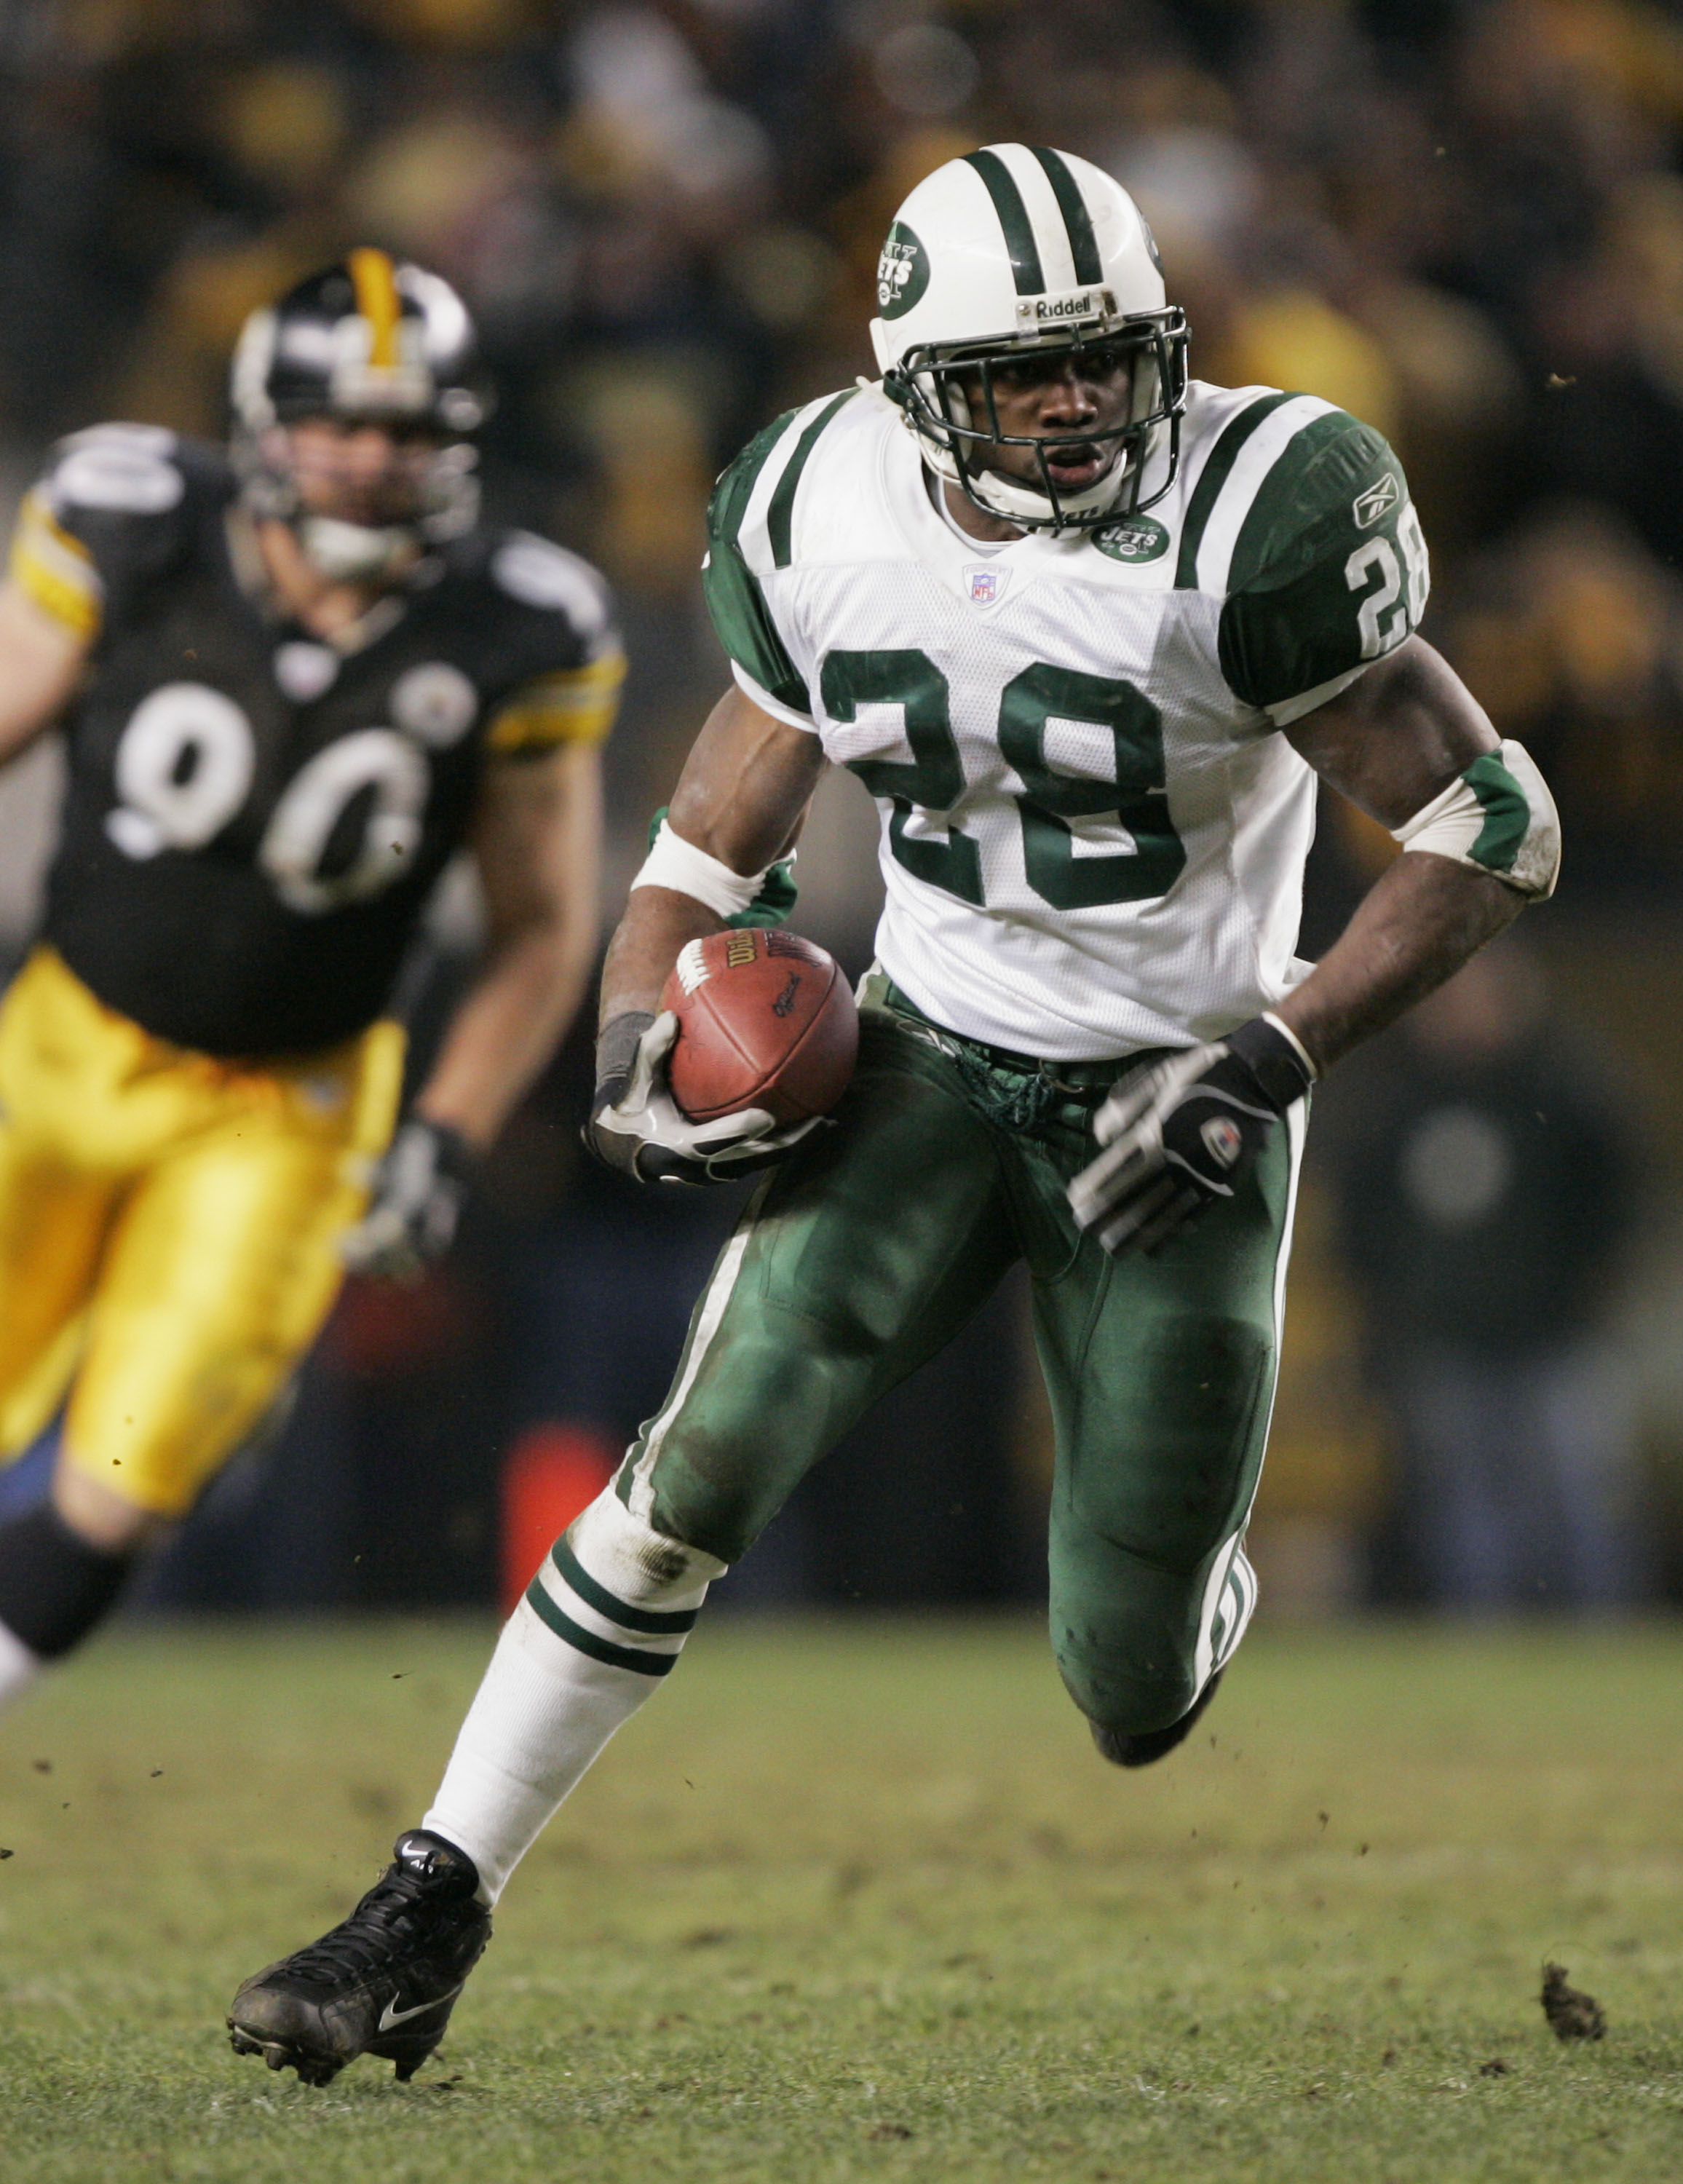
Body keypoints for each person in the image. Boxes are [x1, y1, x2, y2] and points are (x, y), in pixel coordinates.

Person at [229, 147, 1559, 2086]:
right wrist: (628, 1034)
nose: (1086, 405)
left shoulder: (1258, 518)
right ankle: (423, 1909)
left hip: (1182, 1097)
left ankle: (1191, 1593)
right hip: (928, 1060)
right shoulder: (816, 503)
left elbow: (1489, 824)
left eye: (1109, 360)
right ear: (922, 389)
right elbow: (708, 842)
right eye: (1033, 378)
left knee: (1125, 1689)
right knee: (701, 1464)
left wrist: (1275, 1054)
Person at [0, 251, 620, 1707]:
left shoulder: (517, 626)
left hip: (291, 1113)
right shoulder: (134, 523)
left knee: (132, 1472)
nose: (366, 458)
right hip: (62, 1045)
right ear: (258, 423)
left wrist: (450, 1134)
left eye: (405, 431)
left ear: (458, 445)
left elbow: (540, 930)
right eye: (334, 421)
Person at [1323, 940, 1642, 1607]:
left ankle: (1605, 1642)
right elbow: (1359, 1221)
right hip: (1443, 1341)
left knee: (1578, 1502)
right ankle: (1481, 1646)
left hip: (1555, 1341)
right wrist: (1394, 1307)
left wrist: (1585, 1296)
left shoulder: (1566, 1089)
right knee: (1465, 1514)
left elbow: (1616, 1204)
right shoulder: (1395, 1101)